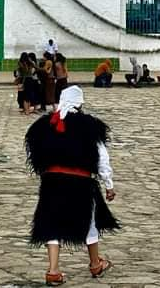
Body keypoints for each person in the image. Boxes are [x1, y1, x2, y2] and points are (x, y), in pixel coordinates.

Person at [25, 86, 119, 284]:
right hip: (82, 182)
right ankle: (95, 264)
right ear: (80, 103)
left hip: (52, 182)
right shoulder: (91, 126)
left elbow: (36, 153)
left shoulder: (44, 125)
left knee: (51, 223)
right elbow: (102, 158)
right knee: (90, 221)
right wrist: (108, 185)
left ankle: (53, 270)